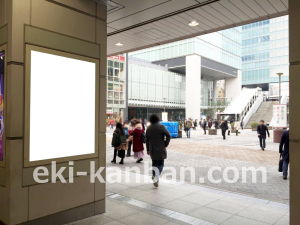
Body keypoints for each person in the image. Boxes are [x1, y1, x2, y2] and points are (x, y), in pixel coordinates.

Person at [146, 114, 171, 187]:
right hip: (160, 148)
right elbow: (168, 135)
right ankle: (156, 177)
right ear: (158, 119)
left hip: (152, 149)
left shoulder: (149, 128)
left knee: (154, 164)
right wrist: (165, 144)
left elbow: (147, 140)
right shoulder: (161, 127)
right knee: (161, 164)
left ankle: (154, 176)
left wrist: (148, 149)